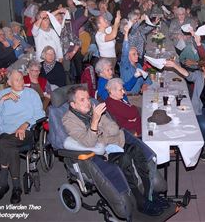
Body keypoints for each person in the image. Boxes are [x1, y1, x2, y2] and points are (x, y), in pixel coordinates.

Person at [62, 85, 166, 216]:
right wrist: (96, 121)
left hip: (114, 144)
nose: (88, 102)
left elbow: (114, 127)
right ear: (73, 104)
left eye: (88, 98)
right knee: (125, 159)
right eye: (82, 100)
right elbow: (89, 142)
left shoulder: (93, 108)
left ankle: (149, 194)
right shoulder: (69, 120)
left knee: (137, 150)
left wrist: (98, 128)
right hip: (99, 154)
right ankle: (140, 202)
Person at [0, 70, 45, 204]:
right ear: (9, 83)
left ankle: (3, 185)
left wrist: (25, 124)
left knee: (4, 143)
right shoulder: (2, 94)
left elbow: (40, 113)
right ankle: (16, 188)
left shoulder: (31, 94)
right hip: (6, 134)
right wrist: (2, 100)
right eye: (17, 80)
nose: (21, 82)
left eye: (21, 79)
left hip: (25, 133)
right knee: (8, 144)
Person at [165, 57, 205, 162]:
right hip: (201, 108)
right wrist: (175, 65)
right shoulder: (198, 76)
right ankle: (203, 147)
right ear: (203, 68)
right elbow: (187, 74)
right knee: (204, 126)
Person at [120, 25, 151, 107]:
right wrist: (126, 33)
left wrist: (145, 84)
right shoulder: (125, 66)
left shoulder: (138, 65)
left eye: (137, 53)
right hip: (130, 99)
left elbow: (147, 78)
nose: (137, 56)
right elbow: (128, 87)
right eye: (134, 54)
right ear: (127, 56)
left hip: (139, 96)